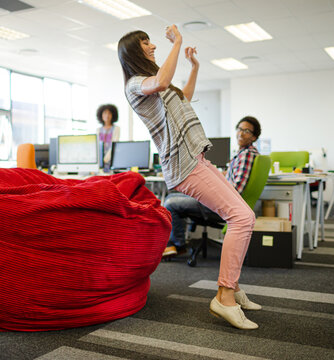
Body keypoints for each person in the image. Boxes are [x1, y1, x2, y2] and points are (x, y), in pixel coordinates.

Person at [118, 26, 260, 330]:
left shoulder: (158, 86)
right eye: (146, 43)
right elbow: (164, 80)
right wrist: (178, 42)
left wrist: (193, 67)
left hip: (197, 158)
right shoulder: (135, 84)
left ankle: (231, 288)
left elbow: (184, 96)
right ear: (134, 51)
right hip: (184, 166)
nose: (153, 45)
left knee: (245, 217)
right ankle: (225, 297)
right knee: (241, 217)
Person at [163, 116, 262, 257]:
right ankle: (176, 243)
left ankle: (178, 245)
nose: (241, 133)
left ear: (254, 137)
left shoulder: (246, 155)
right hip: (225, 202)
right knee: (174, 196)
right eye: (239, 129)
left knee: (170, 203)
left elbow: (237, 189)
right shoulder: (244, 154)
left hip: (221, 205)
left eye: (246, 131)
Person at [96, 104, 120, 169]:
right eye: (105, 113)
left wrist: (105, 160)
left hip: (111, 160)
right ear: (101, 115)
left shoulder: (116, 128)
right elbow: (97, 147)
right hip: (100, 162)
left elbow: (114, 145)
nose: (107, 115)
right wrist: (99, 161)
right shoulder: (98, 130)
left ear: (113, 115)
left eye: (109, 113)